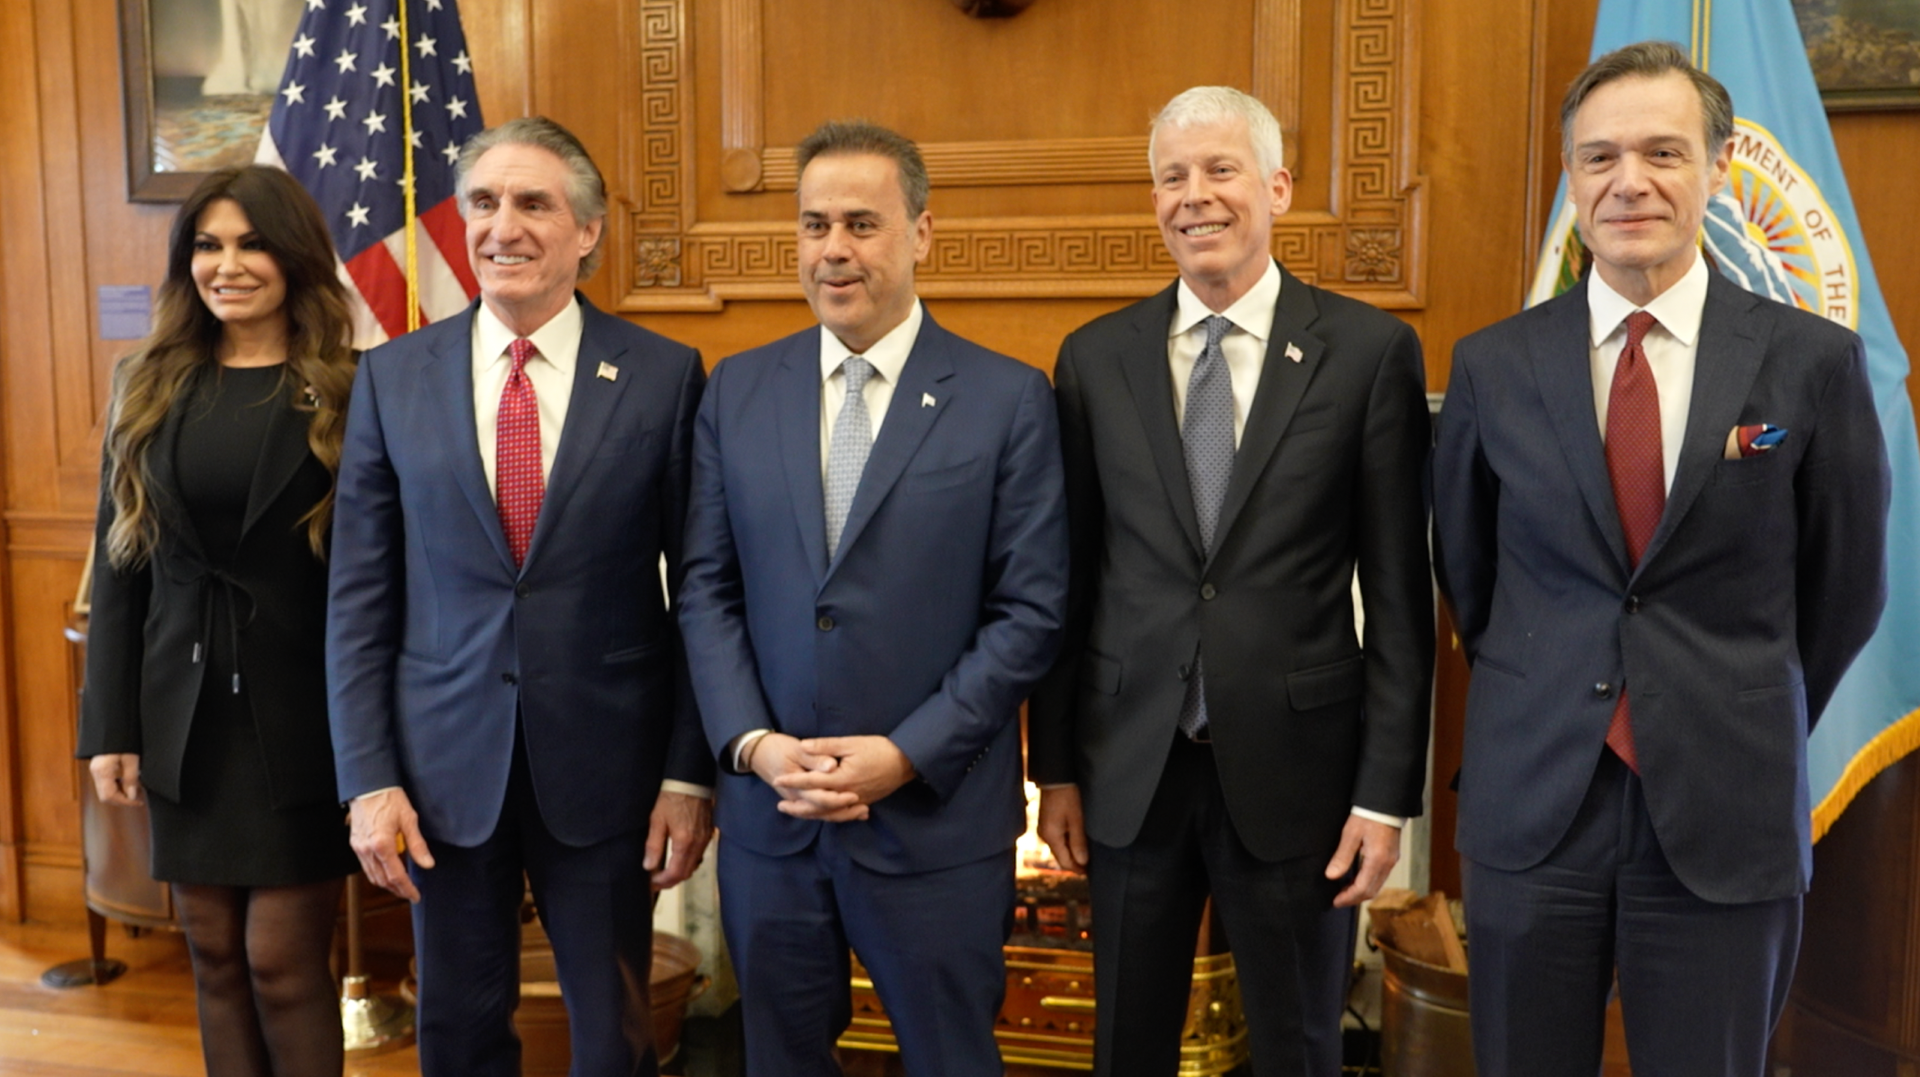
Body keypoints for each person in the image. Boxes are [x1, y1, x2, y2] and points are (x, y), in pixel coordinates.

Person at [1431, 41, 1892, 1077]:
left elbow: (1846, 589)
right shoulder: (1493, 365)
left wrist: (1731, 699)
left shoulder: (1812, 362)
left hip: (1727, 804)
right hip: (1535, 805)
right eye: (1599, 157)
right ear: (1571, 176)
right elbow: (1470, 575)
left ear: (1718, 167)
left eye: (1662, 152)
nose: (1628, 181)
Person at [1028, 86, 1434, 1076]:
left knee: (1300, 1046)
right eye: (1173, 177)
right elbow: (1069, 583)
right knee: (1126, 1045)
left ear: (1277, 187)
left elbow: (1399, 600)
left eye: (1221, 170)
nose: (1195, 196)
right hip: (1131, 768)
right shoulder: (1094, 360)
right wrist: (1056, 769)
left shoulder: (1367, 353)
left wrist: (1385, 796)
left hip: (1302, 776)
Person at [678, 119, 1069, 1076]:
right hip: (773, 824)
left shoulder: (1008, 398)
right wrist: (753, 745)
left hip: (935, 828)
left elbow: (1029, 612)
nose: (834, 250)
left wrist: (905, 754)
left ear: (921, 232)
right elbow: (706, 589)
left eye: (861, 223)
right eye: (814, 225)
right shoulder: (736, 391)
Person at [326, 116, 713, 1077]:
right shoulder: (391, 377)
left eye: (534, 203)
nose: (504, 226)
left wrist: (688, 774)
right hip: (441, 774)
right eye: (484, 203)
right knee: (457, 1034)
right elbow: (360, 599)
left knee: (616, 1036)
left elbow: (704, 590)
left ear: (587, 231)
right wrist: (368, 778)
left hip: (608, 768)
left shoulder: (665, 376)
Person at [78, 164, 360, 1077]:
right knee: (215, 959)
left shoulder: (351, 388)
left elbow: (379, 577)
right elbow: (120, 567)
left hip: (303, 722)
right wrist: (110, 727)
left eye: (251, 244)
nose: (227, 265)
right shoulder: (147, 383)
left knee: (282, 962)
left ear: (295, 256)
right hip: (184, 719)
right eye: (207, 245)